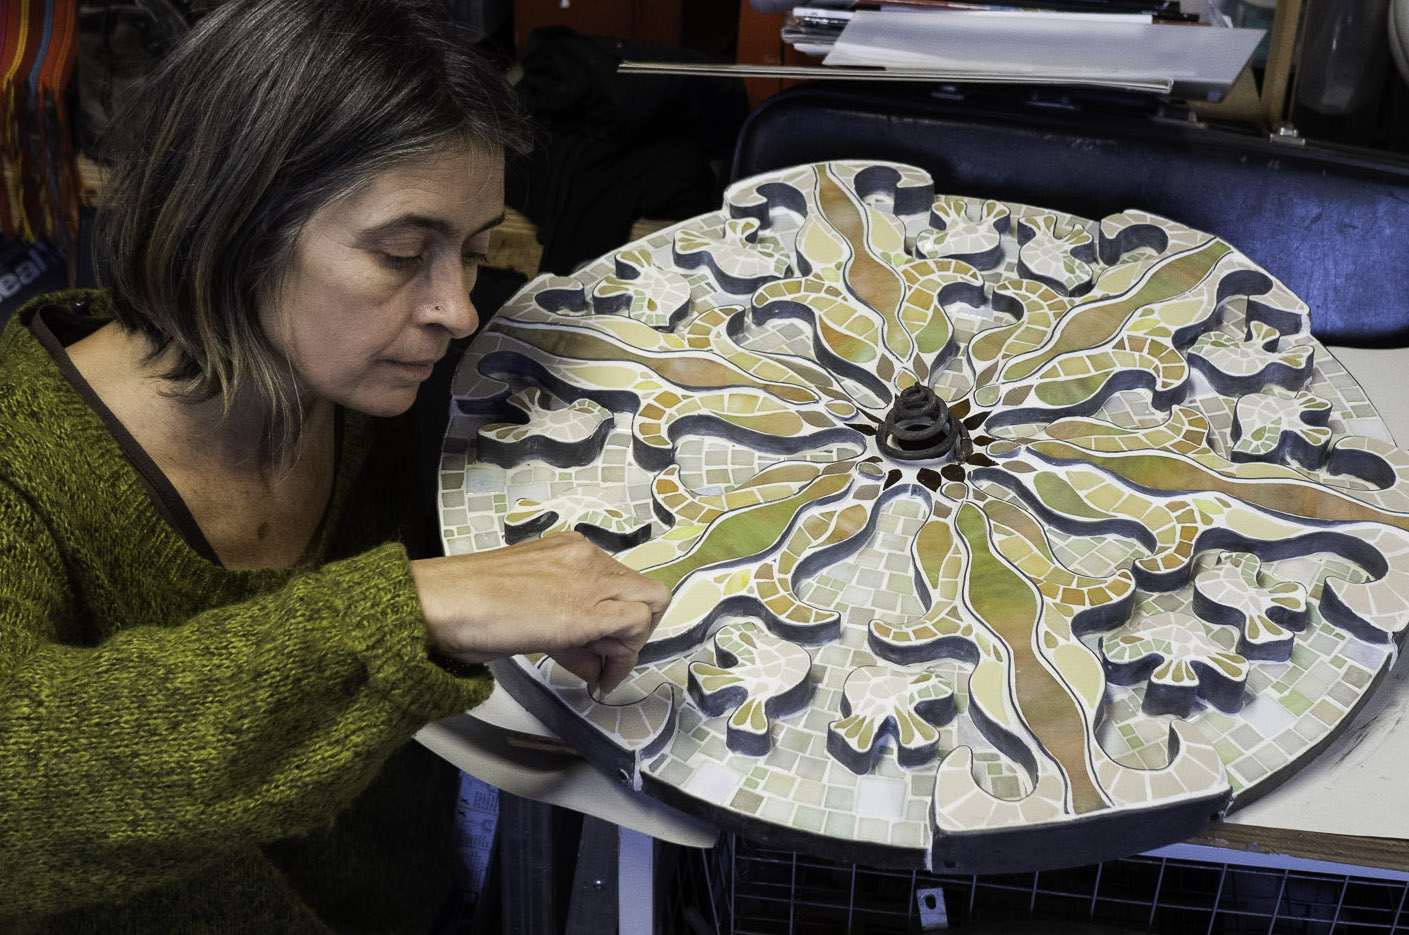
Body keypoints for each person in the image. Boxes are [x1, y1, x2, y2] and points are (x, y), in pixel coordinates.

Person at [0, 0, 671, 930]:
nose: (457, 309)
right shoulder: (22, 464)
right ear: (232, 221)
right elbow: (19, 799)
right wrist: (421, 604)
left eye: (471, 252)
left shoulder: (348, 371)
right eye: (403, 254)